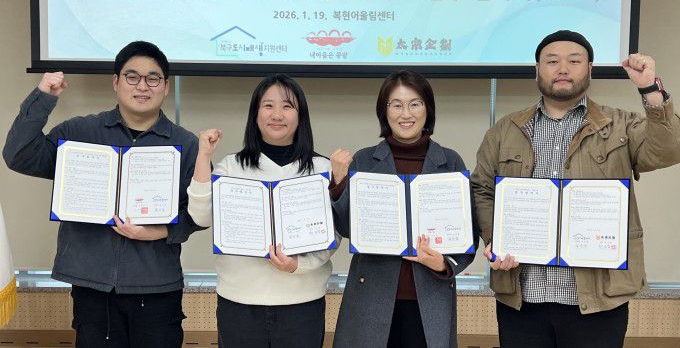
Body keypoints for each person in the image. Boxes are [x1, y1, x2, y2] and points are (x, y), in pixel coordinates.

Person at [471, 30, 680, 347]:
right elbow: (482, 190)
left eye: (574, 61)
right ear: (537, 70)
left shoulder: (621, 124)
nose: (563, 69)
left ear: (590, 69)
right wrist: (493, 238)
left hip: (599, 300)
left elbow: (669, 149)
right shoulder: (505, 129)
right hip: (521, 297)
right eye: (552, 61)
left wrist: (650, 89)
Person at [2, 41, 200, 347]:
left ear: (165, 87)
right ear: (116, 82)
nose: (142, 86)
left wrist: (160, 231)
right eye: (132, 77)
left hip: (157, 287)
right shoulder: (79, 133)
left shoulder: (185, 144)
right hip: (92, 288)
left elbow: (199, 214)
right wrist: (43, 98)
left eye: (153, 78)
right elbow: (19, 155)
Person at [330, 70, 478, 348]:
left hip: (430, 297)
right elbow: (346, 229)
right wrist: (338, 184)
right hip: (371, 296)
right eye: (396, 105)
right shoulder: (364, 160)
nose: (405, 114)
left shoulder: (450, 161)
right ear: (384, 111)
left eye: (415, 104)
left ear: (427, 109)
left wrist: (444, 265)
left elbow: (469, 233)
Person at [187, 74, 336, 348]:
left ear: (301, 115)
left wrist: (298, 265)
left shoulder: (322, 169)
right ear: (255, 114)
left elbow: (331, 239)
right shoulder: (231, 167)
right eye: (268, 105)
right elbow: (200, 216)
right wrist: (204, 155)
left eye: (287, 106)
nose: (277, 115)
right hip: (239, 305)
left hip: (303, 305)